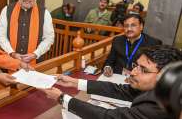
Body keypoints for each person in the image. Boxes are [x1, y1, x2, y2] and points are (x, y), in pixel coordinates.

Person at [42, 45, 182, 119]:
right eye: (136, 66)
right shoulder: (162, 88)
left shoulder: (158, 106)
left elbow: (108, 117)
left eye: (143, 70)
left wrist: (61, 98)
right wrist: (75, 82)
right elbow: (121, 90)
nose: (133, 72)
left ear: (166, 75)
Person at [0, 0, 54, 65]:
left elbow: (49, 38)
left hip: (35, 63)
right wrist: (12, 53)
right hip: (10, 61)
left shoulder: (44, 13)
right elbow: (0, 34)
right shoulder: (7, 10)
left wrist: (35, 54)